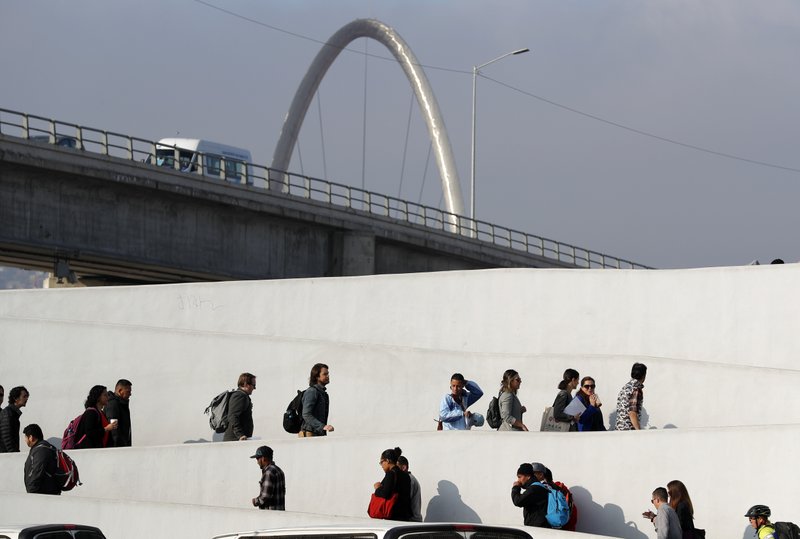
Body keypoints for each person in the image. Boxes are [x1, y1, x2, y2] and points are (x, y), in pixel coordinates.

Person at [373, 447, 412, 521]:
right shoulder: (406, 475)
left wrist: (377, 488)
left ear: (387, 461)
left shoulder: (391, 474)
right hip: (405, 515)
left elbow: (385, 493)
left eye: (381, 462)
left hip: (393, 515)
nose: (381, 465)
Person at [22, 423, 60, 495]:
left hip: (44, 494)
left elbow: (37, 470)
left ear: (31, 437)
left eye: (25, 437)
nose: (25, 440)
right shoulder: (41, 448)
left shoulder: (41, 450)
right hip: (46, 493)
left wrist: (31, 492)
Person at [511, 462, 551, 528]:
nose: (518, 480)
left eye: (520, 477)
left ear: (528, 476)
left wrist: (515, 487)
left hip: (538, 528)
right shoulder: (538, 487)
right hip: (541, 527)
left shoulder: (534, 489)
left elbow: (518, 501)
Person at [300, 363, 334, 437]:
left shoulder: (323, 394)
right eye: (325, 374)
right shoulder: (312, 391)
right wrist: (323, 426)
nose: (328, 376)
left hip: (318, 434)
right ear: (317, 377)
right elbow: (306, 414)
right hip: (309, 434)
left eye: (328, 374)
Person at [250, 445, 286, 510]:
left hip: (270, 515)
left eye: (257, 458)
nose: (257, 462)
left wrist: (255, 501)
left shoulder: (268, 472)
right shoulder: (279, 470)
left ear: (263, 458)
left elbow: (265, 496)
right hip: (280, 513)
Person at [223, 373, 256, 442]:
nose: (254, 388)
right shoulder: (239, 396)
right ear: (245, 384)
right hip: (235, 440)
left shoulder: (243, 395)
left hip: (239, 440)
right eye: (253, 385)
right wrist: (240, 435)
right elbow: (233, 416)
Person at [615, 362, 647, 430]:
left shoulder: (626, 387)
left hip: (619, 429)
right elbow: (632, 412)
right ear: (644, 375)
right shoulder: (636, 388)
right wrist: (639, 431)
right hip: (629, 431)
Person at [0, 386, 30, 453]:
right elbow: (7, 438)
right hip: (6, 457)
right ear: (16, 398)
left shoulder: (12, 413)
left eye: (27, 396)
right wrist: (14, 454)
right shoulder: (8, 413)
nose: (26, 398)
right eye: (24, 396)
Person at [104, 379, 133, 447]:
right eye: (128, 391)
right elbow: (114, 429)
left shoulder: (121, 404)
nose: (130, 394)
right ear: (120, 391)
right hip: (116, 448)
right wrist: (119, 447)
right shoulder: (113, 404)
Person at [397, 455, 422, 522]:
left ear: (403, 467)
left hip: (411, 521)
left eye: (396, 467)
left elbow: (405, 501)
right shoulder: (409, 479)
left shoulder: (409, 480)